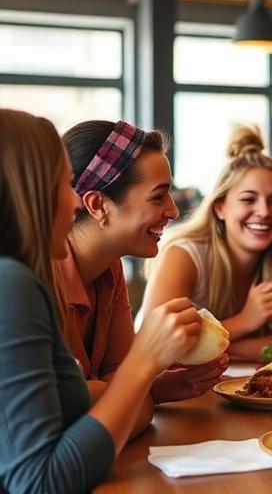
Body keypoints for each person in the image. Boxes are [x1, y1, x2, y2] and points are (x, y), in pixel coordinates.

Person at [0, 109, 200, 492]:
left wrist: (128, 390)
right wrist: (143, 367)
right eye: (63, 184)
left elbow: (116, 409)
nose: (73, 204)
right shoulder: (13, 285)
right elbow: (41, 481)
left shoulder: (103, 271)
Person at [56, 120, 229, 438]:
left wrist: (157, 389)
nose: (174, 211)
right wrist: (141, 395)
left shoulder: (110, 269)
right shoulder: (36, 282)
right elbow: (60, 419)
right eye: (158, 197)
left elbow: (121, 384)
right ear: (98, 205)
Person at [142, 123, 272, 363]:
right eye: (248, 199)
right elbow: (156, 345)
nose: (264, 211)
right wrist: (247, 320)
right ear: (220, 207)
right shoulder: (183, 254)